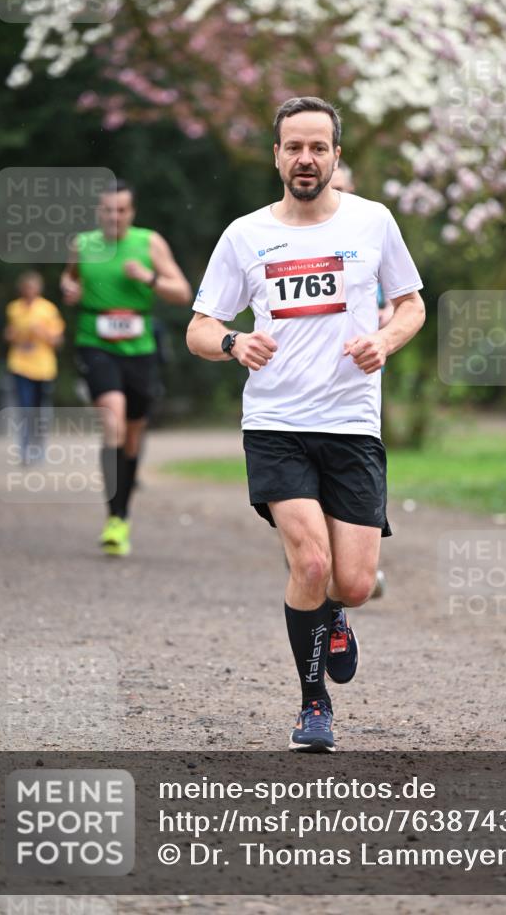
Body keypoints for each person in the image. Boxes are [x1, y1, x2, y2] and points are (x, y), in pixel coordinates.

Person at [187, 96, 425, 752]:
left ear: (335, 156)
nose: (305, 158)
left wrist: (387, 341)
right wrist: (233, 344)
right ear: (276, 154)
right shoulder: (245, 235)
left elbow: (409, 306)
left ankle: (338, 615)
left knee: (350, 581)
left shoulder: (373, 222)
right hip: (276, 421)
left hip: (351, 423)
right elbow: (199, 328)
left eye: (318, 146)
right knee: (311, 562)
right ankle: (312, 704)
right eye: (293, 146)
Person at [61, 179, 192, 557]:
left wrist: (148, 277)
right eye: (107, 210)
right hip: (95, 341)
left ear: (131, 212)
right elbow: (70, 279)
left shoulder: (149, 243)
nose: (114, 217)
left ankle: (123, 511)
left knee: (133, 434)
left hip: (140, 346)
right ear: (98, 212)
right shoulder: (82, 244)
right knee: (113, 420)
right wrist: (70, 290)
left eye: (121, 210)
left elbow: (183, 292)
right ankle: (114, 517)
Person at [330, 161, 392, 599]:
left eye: (342, 187)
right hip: (303, 386)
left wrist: (384, 332)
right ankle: (319, 555)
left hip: (360, 376)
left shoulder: (369, 232)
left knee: (357, 469)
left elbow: (395, 302)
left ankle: (354, 560)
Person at [4, 271, 65, 464]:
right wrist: (13, 335)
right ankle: (24, 450)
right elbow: (8, 335)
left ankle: (38, 449)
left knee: (40, 410)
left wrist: (42, 332)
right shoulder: (13, 309)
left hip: (43, 367)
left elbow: (58, 341)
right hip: (19, 364)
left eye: (33, 287)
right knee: (24, 408)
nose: (29, 291)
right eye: (26, 287)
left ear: (38, 289)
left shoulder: (48, 309)